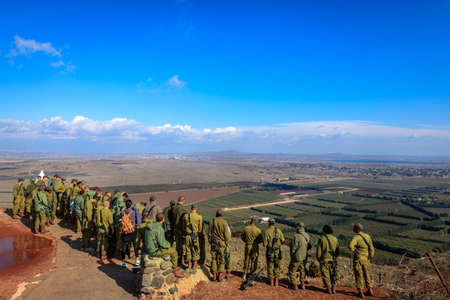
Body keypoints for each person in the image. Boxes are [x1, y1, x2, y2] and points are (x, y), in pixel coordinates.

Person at [142, 212, 184, 278]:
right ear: (163, 219)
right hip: (154, 251)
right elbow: (162, 243)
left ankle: (174, 267)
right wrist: (169, 244)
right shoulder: (159, 228)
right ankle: (174, 269)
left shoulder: (150, 225)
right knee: (174, 252)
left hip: (148, 248)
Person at [349, 223, 375, 298]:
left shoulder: (356, 237)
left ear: (357, 229)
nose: (353, 229)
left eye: (354, 228)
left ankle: (360, 292)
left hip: (358, 259)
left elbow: (350, 246)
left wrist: (354, 250)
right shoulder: (367, 236)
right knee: (366, 274)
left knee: (359, 274)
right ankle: (370, 290)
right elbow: (371, 248)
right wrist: (370, 257)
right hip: (366, 259)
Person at [208, 209, 231, 282]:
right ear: (222, 215)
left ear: (216, 214)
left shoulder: (212, 221)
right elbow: (227, 236)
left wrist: (210, 242)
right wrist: (227, 243)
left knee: (214, 258)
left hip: (214, 243)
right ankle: (220, 276)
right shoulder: (224, 222)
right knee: (222, 259)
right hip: (222, 244)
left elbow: (209, 233)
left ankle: (214, 275)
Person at [317, 224, 340, 294]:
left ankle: (328, 288)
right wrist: (335, 257)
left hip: (324, 260)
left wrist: (319, 260)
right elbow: (338, 251)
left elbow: (318, 253)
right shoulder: (335, 239)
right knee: (334, 274)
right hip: (333, 260)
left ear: (324, 231)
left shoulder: (321, 239)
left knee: (326, 274)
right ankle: (334, 288)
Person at [263, 218, 285, 286]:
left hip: (270, 251)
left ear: (269, 223)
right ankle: (276, 282)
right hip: (278, 251)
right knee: (277, 266)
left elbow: (265, 244)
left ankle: (271, 282)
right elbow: (283, 241)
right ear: (274, 223)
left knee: (270, 266)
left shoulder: (266, 231)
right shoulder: (279, 231)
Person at [288, 222, 310, 290]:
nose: (296, 227)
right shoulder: (307, 235)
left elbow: (294, 247)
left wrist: (291, 254)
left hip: (297, 256)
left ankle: (294, 285)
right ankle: (302, 284)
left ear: (299, 227)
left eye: (297, 226)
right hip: (304, 256)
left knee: (292, 270)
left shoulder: (296, 236)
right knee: (302, 270)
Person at [183, 204, 203, 269]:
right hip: (194, 236)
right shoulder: (199, 217)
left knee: (188, 250)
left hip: (187, 236)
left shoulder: (185, 216)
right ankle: (194, 265)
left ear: (191, 209)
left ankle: (189, 264)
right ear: (196, 209)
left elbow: (183, 227)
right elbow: (200, 229)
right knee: (195, 249)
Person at [120, 199, 137, 268]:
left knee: (124, 246)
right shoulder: (133, 212)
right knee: (135, 245)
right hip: (132, 231)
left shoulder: (122, 212)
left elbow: (120, 220)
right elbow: (133, 222)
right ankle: (137, 261)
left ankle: (124, 262)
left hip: (125, 231)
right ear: (131, 205)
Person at [172, 196, 188, 266]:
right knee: (182, 246)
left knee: (177, 245)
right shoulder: (182, 209)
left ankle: (177, 260)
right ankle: (181, 261)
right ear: (183, 200)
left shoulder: (174, 208)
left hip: (175, 228)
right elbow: (185, 220)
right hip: (181, 229)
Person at [81, 187, 97, 251]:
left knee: (84, 234)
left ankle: (83, 246)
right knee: (87, 234)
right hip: (88, 221)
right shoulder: (89, 204)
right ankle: (87, 247)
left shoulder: (86, 201)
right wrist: (91, 221)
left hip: (85, 220)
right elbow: (89, 214)